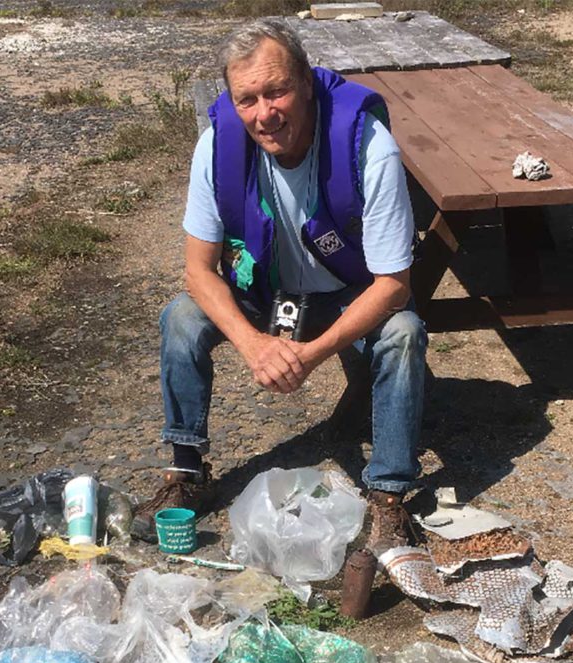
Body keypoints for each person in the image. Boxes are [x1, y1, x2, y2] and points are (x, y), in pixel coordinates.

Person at [131, 18, 427, 554]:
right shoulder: (217, 147)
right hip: (264, 295)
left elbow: (393, 285)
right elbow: (198, 271)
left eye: (278, 90)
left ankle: (388, 496)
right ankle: (186, 471)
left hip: (346, 295)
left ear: (307, 83)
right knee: (180, 316)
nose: (265, 113)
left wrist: (309, 355)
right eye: (248, 99)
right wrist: (256, 344)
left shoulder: (369, 147)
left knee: (403, 333)